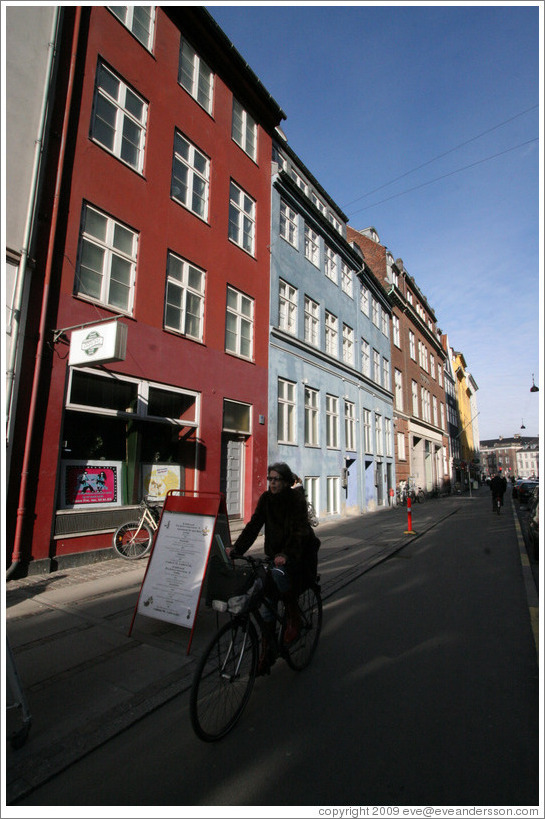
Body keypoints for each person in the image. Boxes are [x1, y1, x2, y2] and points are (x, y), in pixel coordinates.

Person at [225, 462, 311, 674]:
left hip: (295, 555)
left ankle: (293, 617)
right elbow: (254, 525)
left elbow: (300, 531)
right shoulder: (266, 499)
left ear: (286, 481)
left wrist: (286, 554)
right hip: (274, 556)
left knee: (279, 576)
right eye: (270, 479)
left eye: (276, 479)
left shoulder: (295, 500)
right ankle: (267, 652)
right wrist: (237, 549)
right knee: (265, 603)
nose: (272, 483)